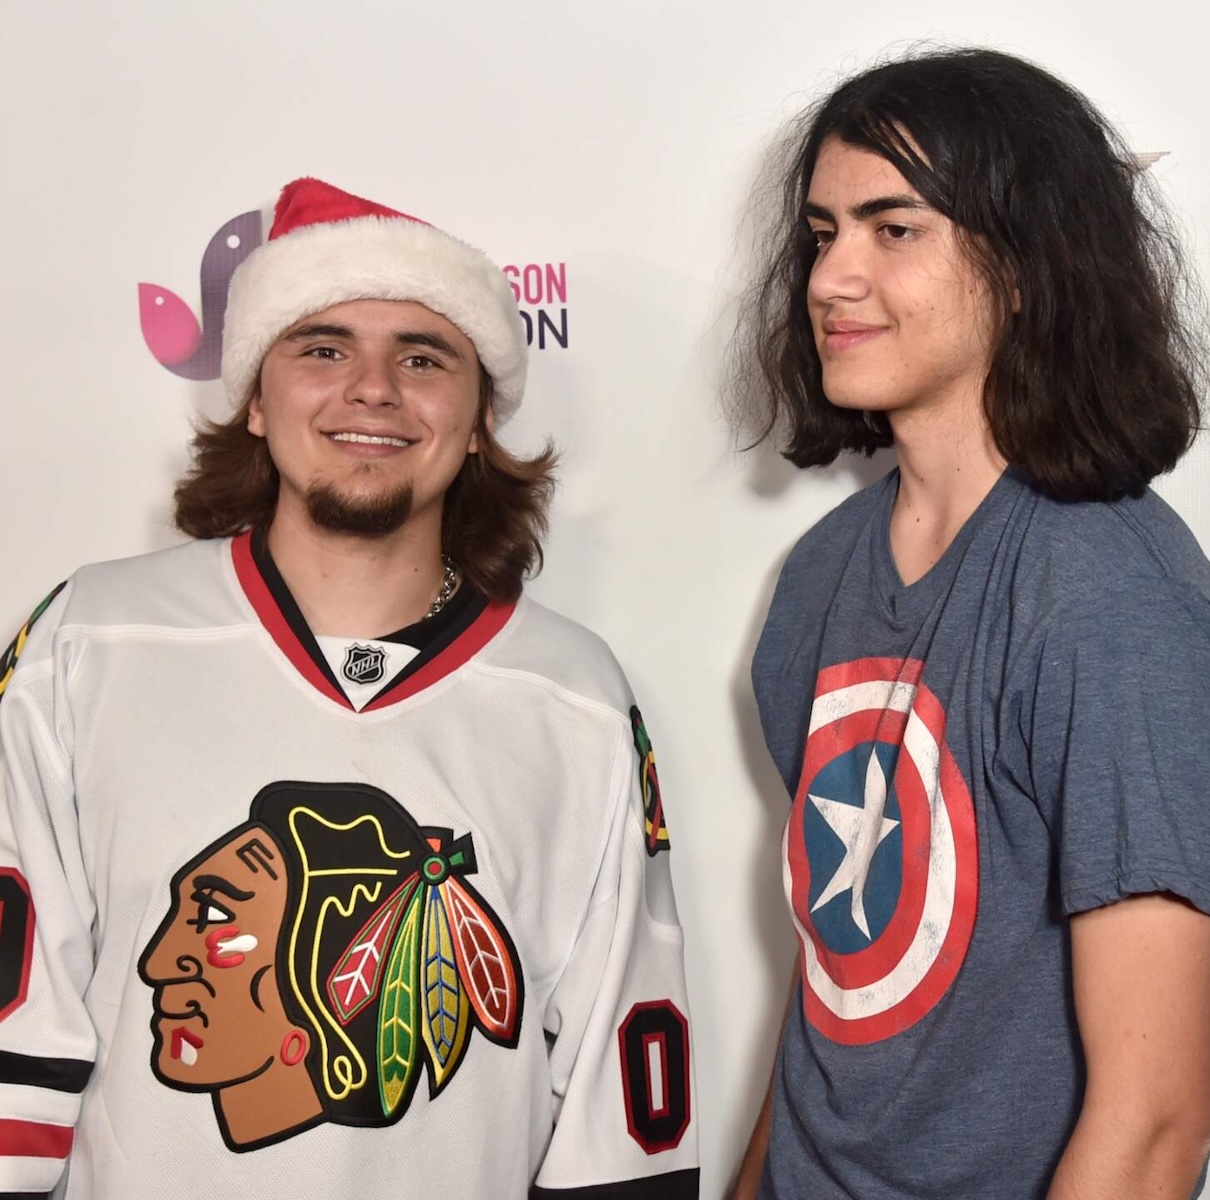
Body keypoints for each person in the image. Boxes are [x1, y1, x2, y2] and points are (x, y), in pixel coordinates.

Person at [0, 178, 697, 1197]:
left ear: (475, 422)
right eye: (322, 348)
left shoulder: (573, 697)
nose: (371, 388)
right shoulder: (89, 642)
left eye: (422, 357)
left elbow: (615, 1096)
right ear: (253, 395)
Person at [723, 46, 1210, 1200]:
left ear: (1024, 265)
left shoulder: (1112, 597)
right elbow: (837, 979)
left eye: (893, 228)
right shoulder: (818, 575)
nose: (831, 277)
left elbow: (1159, 1123)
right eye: (823, 234)